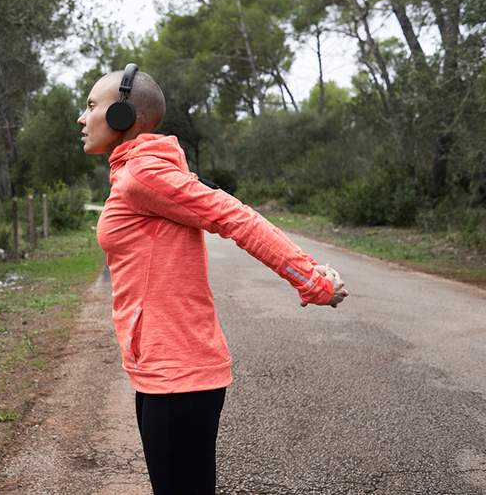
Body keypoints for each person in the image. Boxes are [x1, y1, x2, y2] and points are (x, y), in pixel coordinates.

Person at [77, 65, 349, 495]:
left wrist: (310, 279)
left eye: (93, 106)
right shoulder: (137, 173)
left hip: (178, 376)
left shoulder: (143, 175)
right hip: (160, 371)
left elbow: (235, 217)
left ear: (123, 117)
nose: (82, 117)